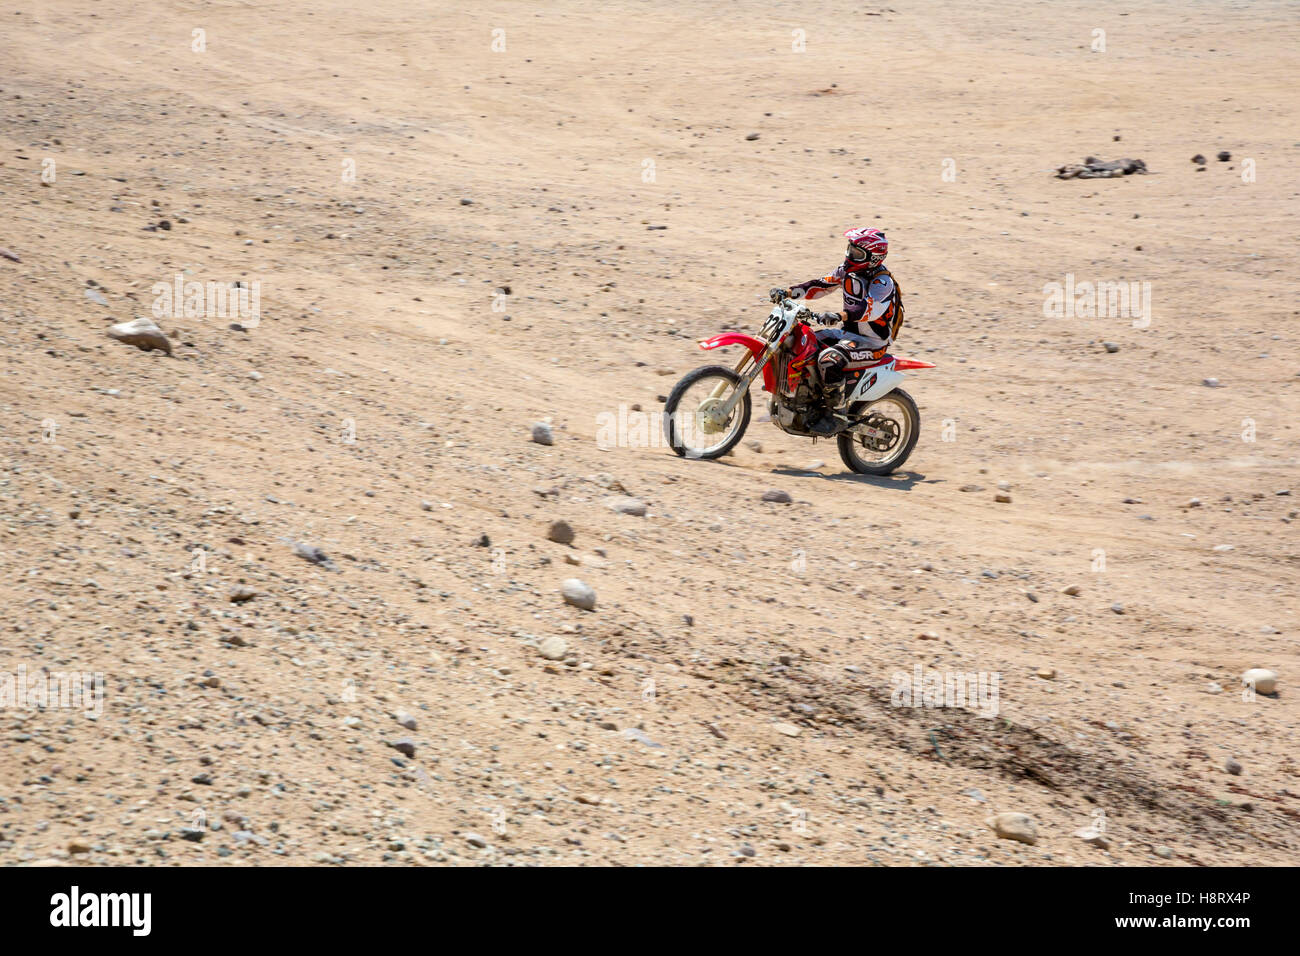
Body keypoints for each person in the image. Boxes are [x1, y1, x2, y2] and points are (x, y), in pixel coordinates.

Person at [770, 227, 904, 436]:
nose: (851, 255)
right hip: (848, 334)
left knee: (828, 360)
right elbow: (820, 285)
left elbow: (868, 310)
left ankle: (837, 414)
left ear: (874, 258)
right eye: (850, 249)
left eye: (857, 253)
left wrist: (838, 316)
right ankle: (803, 397)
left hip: (871, 343)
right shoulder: (847, 271)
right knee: (802, 340)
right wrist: (787, 292)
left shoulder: (882, 283)